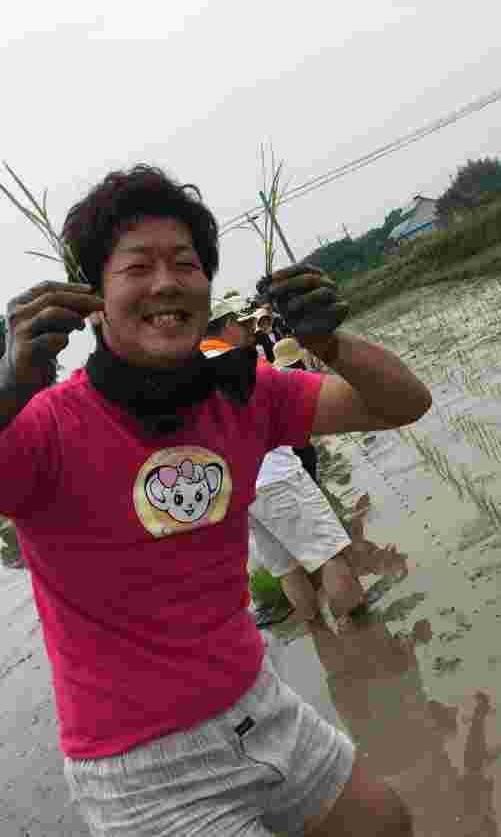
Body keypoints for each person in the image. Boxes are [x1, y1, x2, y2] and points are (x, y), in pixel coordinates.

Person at [0, 165, 431, 836]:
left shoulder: (243, 392)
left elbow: (404, 403)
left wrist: (330, 343)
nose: (167, 282)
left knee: (387, 824)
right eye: (137, 266)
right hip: (140, 769)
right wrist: (2, 396)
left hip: (260, 707)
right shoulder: (41, 428)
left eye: (186, 263)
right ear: (92, 298)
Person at [201, 311, 365, 627]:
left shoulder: (184, 371)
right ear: (227, 326)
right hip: (276, 475)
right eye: (242, 325)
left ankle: (319, 633)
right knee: (328, 555)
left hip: (234, 488)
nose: (248, 331)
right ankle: (363, 630)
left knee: (286, 568)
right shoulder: (242, 364)